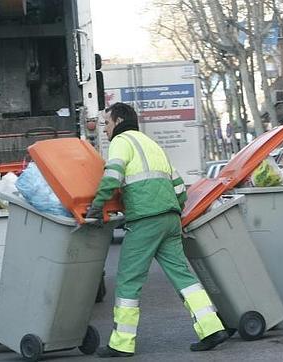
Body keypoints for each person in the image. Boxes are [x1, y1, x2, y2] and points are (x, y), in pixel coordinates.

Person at [86, 103, 228, 358]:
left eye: (106, 123)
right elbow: (179, 189)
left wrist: (97, 206)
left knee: (129, 280)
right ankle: (211, 328)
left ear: (118, 121)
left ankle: (122, 343)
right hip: (170, 218)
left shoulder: (121, 142)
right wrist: (171, 210)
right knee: (183, 277)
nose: (105, 130)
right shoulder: (153, 145)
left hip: (145, 220)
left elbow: (112, 176)